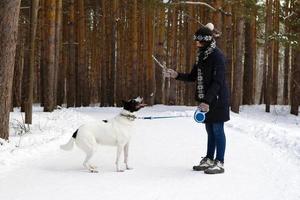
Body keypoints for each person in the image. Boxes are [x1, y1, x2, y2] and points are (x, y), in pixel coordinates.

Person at [164, 23, 230, 174]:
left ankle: (219, 162)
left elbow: (218, 81)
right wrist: (176, 75)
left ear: (206, 40)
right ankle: (208, 159)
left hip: (218, 99)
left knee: (218, 129)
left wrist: (207, 101)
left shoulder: (217, 56)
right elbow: (193, 76)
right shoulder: (201, 55)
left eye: (198, 40)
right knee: (210, 130)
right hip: (205, 99)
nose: (196, 43)